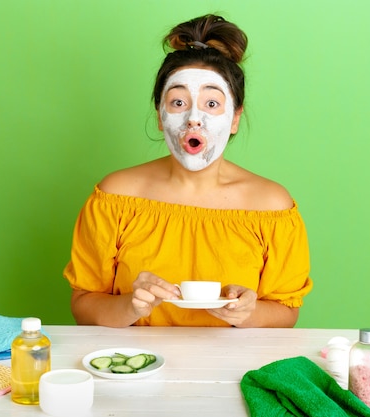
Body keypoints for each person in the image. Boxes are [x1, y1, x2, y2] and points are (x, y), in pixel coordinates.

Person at [64, 14, 312, 328]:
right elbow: (83, 303)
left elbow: (286, 312)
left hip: (234, 369)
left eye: (212, 104)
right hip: (135, 371)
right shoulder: (115, 195)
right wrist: (130, 306)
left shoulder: (272, 205)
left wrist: (250, 312)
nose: (194, 118)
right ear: (159, 116)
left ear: (235, 118)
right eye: (178, 102)